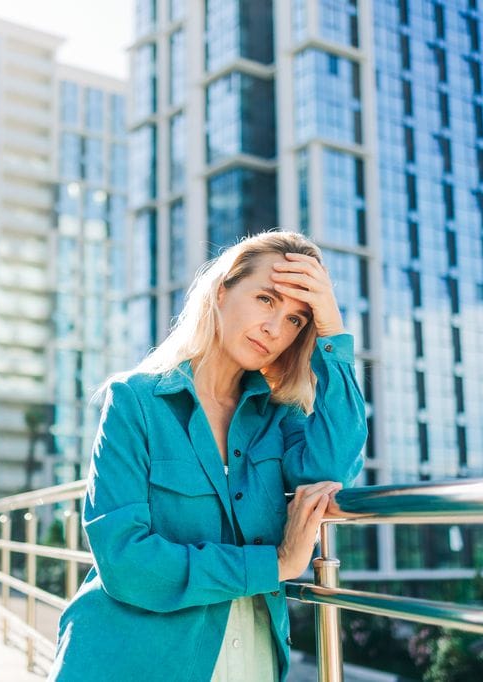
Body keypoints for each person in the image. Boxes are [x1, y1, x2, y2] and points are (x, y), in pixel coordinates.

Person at [49, 231, 368, 682]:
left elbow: (333, 470)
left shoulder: (278, 420)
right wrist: (275, 564)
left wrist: (333, 332)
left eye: (297, 320)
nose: (275, 329)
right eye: (265, 299)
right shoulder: (135, 400)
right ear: (221, 291)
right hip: (131, 663)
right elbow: (124, 561)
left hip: (253, 659)